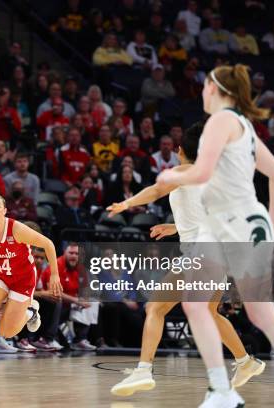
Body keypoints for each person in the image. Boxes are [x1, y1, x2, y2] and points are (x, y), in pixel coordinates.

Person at [156, 64, 274, 407]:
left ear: (217, 90)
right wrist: (273, 220)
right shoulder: (244, 126)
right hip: (243, 224)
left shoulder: (220, 121)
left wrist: (170, 178)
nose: (201, 92)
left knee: (200, 305)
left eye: (204, 86)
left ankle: (222, 390)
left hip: (233, 226)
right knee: (256, 313)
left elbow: (201, 172)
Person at [108, 121, 264, 396]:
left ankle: (143, 370)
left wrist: (127, 203)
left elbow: (155, 191)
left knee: (155, 308)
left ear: (180, 151)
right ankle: (246, 362)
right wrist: (176, 227)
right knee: (210, 313)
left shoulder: (182, 171)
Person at [0, 194, 62, 375]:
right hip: (0, 274)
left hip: (23, 278)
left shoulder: (17, 229)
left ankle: (31, 311)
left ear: (4, 211)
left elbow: (48, 244)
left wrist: (55, 274)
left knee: (7, 332)